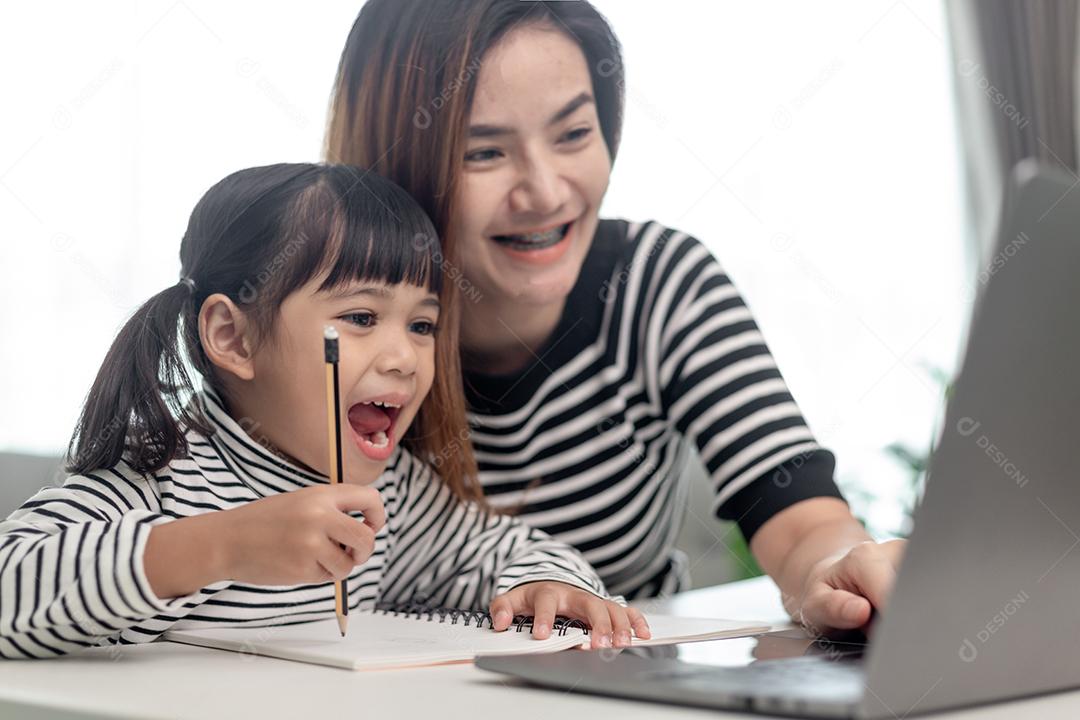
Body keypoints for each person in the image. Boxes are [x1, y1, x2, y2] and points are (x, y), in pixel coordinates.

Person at [325, 0, 904, 633]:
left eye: (573, 134)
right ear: (395, 166)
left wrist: (839, 567)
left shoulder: (660, 284)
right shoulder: (329, 329)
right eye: (483, 153)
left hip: (626, 677)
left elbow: (803, 520)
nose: (545, 193)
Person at [0, 163, 648, 659]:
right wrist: (219, 545)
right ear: (233, 337)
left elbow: (503, 549)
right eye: (361, 317)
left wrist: (551, 585)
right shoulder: (157, 469)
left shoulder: (394, 495)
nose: (403, 358)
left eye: (422, 325)